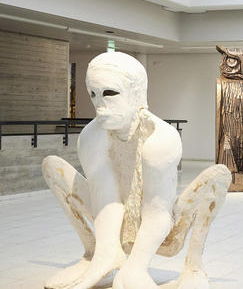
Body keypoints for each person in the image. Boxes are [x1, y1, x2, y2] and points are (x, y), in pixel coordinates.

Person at [41, 52, 230, 289]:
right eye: (93, 94)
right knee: (52, 167)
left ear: (137, 94)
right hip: (115, 224)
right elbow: (105, 201)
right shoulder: (91, 136)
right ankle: (94, 254)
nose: (100, 105)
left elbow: (157, 212)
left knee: (218, 177)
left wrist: (137, 266)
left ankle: (194, 266)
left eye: (110, 93)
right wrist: (106, 252)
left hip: (162, 229)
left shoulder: (161, 139)